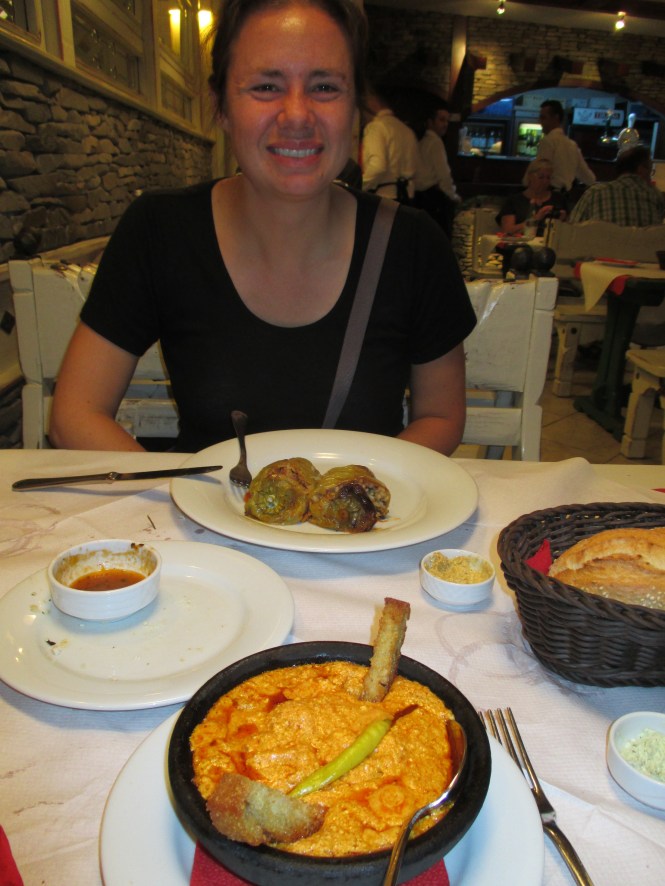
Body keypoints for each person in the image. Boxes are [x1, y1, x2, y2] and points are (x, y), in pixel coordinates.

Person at [49, 0, 476, 456]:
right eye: (267, 86)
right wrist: (171, 488)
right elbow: (75, 414)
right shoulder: (160, 229)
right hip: (202, 503)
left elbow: (440, 415)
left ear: (354, 108)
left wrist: (365, 489)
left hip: (363, 505)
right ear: (221, 106)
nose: (297, 115)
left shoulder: (412, 244)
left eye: (325, 87)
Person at [569, 145, 665, 226]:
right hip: (643, 243)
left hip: (603, 243)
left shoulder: (594, 192)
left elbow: (573, 227)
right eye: (650, 171)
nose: (650, 178)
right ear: (641, 169)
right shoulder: (655, 195)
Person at [360, 85, 421, 203]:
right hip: (408, 197)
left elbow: (378, 167)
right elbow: (419, 171)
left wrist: (358, 186)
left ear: (374, 101)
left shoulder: (377, 127)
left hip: (384, 197)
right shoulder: (407, 130)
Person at [412, 95, 460, 239]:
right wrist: (453, 196)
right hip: (432, 200)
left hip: (419, 197)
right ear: (430, 122)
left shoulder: (422, 141)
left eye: (447, 120)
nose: (445, 124)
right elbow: (443, 174)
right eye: (441, 120)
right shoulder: (435, 142)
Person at [535, 99, 596, 193]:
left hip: (547, 194)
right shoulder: (572, 145)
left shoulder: (547, 141)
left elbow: (540, 172)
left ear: (555, 118)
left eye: (543, 118)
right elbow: (589, 179)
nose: (540, 121)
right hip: (565, 196)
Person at [496, 158, 567, 236]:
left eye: (548, 178)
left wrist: (561, 221)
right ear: (530, 176)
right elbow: (507, 231)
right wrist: (535, 219)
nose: (545, 181)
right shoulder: (514, 201)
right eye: (541, 177)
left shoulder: (558, 199)